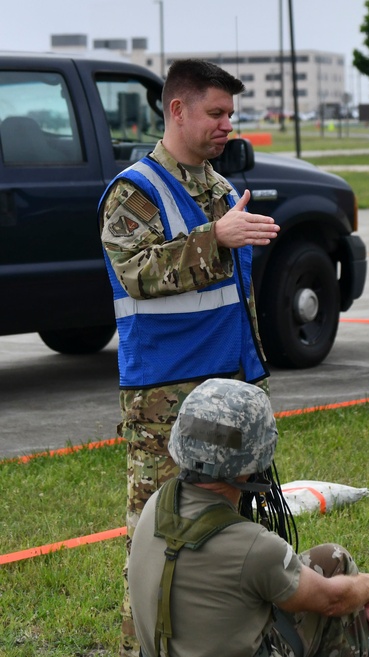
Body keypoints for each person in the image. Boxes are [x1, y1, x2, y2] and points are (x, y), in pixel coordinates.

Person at [99, 58, 279, 656]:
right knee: (157, 533)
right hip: (166, 401)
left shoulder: (221, 188)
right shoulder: (135, 191)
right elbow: (137, 275)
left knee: (235, 533)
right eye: (216, 112)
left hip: (230, 390)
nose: (228, 124)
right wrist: (216, 238)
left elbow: (235, 299)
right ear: (177, 109)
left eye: (232, 113)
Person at [129, 378, 369, 657]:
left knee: (331, 560)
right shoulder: (254, 547)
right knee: (344, 582)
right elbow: (332, 601)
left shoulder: (155, 505)